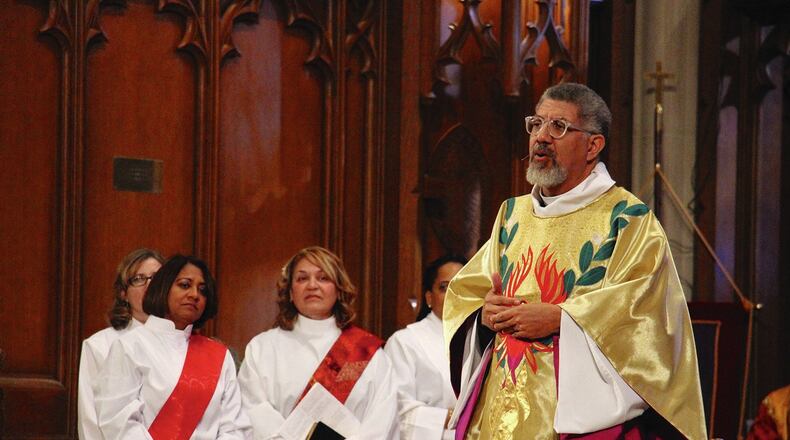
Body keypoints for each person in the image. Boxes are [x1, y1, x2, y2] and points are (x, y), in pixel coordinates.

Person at [443, 82, 706, 439]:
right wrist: (484, 316)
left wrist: (561, 318)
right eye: (536, 124)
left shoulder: (626, 218)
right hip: (498, 411)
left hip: (575, 421)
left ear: (593, 145)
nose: (541, 137)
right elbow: (468, 295)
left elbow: (647, 317)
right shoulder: (512, 214)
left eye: (559, 127)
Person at [238, 246, 399, 439]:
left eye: (323, 278)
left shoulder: (367, 352)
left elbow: (382, 421)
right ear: (290, 291)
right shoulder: (262, 348)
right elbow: (253, 411)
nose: (312, 285)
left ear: (339, 290)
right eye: (302, 278)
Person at [94, 254, 251, 439]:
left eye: (202, 290)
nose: (194, 295)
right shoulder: (130, 346)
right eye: (185, 285)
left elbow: (234, 428)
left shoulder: (220, 356)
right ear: (163, 288)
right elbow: (117, 421)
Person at [77, 248, 164, 440]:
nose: (150, 286)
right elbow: (90, 424)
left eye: (156, 278)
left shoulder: (184, 344)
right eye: (139, 279)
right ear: (124, 293)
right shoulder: (99, 346)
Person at [385, 254, 467, 439]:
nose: (454, 294)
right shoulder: (404, 342)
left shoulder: (484, 343)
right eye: (445, 287)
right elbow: (396, 410)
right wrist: (456, 417)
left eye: (462, 287)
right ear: (429, 297)